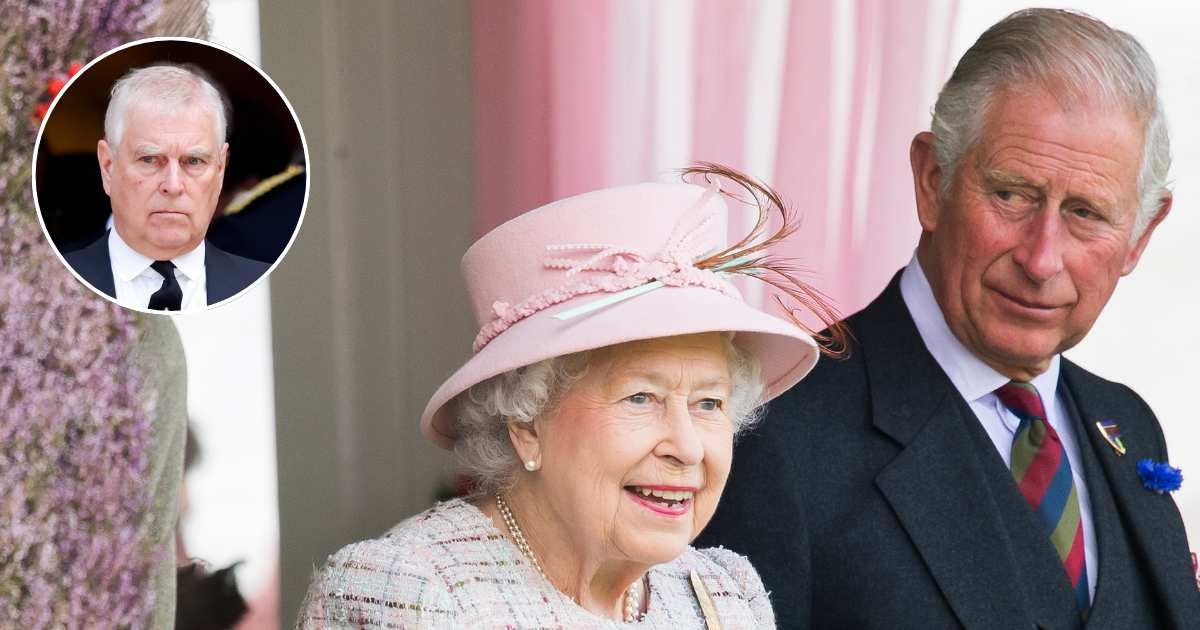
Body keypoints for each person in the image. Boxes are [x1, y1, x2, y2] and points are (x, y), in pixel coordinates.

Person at [696, 8, 1200, 629]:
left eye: (1086, 213)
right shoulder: (773, 429)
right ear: (933, 181)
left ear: (1139, 237)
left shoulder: (1129, 426)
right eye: (1012, 194)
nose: (1042, 260)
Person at [296, 165, 842, 628]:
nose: (688, 448)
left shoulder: (724, 598)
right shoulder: (408, 595)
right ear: (526, 422)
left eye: (709, 404)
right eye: (641, 398)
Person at [64, 64, 268, 311]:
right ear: (107, 167)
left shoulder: (264, 288)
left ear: (220, 168)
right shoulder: (49, 283)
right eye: (149, 160)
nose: (173, 186)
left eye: (193, 161)